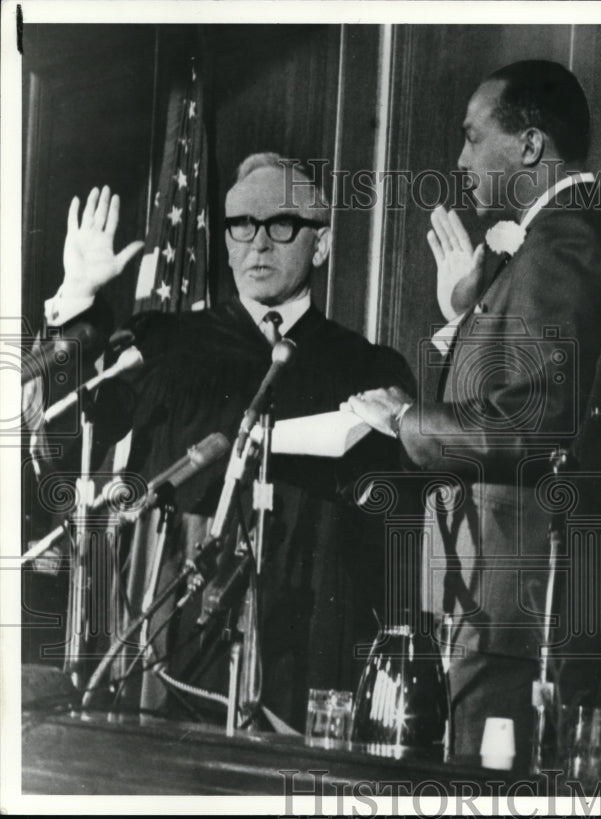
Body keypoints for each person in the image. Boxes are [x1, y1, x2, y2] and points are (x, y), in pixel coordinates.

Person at [29, 154, 415, 730]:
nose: (258, 244)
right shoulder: (163, 343)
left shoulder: (368, 368)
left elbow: (393, 522)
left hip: (307, 650)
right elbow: (61, 443)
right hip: (175, 640)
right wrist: (77, 299)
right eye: (241, 226)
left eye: (281, 224)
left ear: (323, 243)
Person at [348, 60, 601, 760]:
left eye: (473, 136)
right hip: (514, 606)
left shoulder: (565, 243)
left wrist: (406, 419)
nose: (459, 158)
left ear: (531, 144)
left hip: (522, 615)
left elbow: (532, 423)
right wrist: (461, 318)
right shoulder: (557, 242)